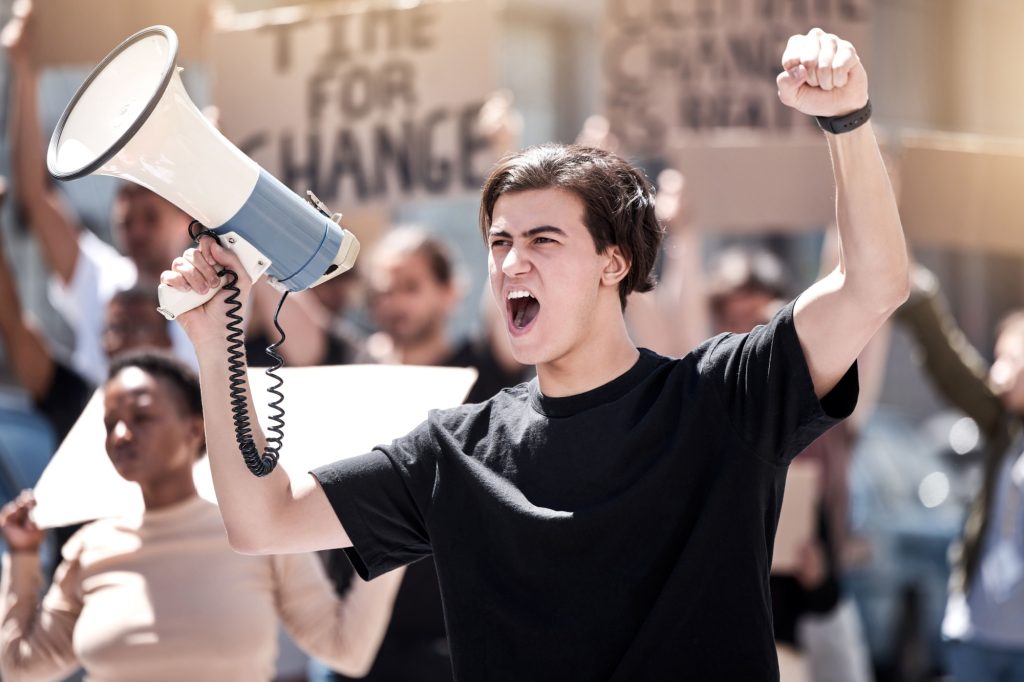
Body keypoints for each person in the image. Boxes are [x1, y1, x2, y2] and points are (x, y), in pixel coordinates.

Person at [162, 29, 908, 679]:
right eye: (499, 243)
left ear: (614, 263)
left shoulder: (723, 396)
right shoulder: (453, 450)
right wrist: (213, 341)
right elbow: (260, 521)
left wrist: (846, 120)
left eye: (543, 240)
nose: (512, 262)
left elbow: (873, 283)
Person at [0, 351, 404, 681]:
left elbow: (346, 651)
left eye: (141, 417)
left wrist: (397, 524)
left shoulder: (259, 532)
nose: (121, 434)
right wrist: (22, 559)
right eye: (111, 423)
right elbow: (19, 668)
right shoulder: (90, 547)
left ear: (196, 430)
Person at [3, 3, 194, 384]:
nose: (136, 232)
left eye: (150, 218)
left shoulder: (212, 288)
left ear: (185, 216)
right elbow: (36, 198)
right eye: (126, 221)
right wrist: (26, 70)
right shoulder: (101, 278)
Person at [896, 266, 1024, 681]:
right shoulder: (1002, 426)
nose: (1000, 373)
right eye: (999, 358)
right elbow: (954, 372)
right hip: (978, 633)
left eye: (1014, 361)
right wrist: (922, 303)